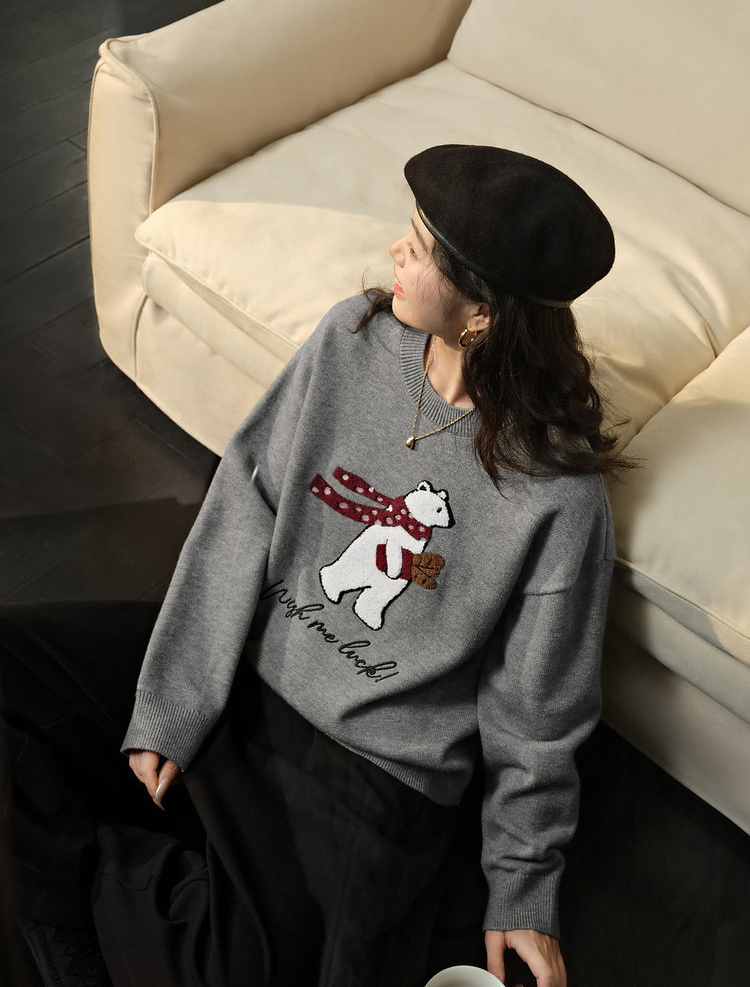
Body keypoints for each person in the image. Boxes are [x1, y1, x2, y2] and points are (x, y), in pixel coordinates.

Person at [1, 145, 624, 987]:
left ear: (481, 313)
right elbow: (244, 502)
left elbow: (537, 711)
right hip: (246, 664)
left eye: (419, 248)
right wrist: (176, 700)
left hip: (370, 765)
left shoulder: (558, 493)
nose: (395, 251)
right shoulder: (351, 340)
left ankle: (78, 882)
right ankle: (107, 912)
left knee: (262, 970)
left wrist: (521, 888)